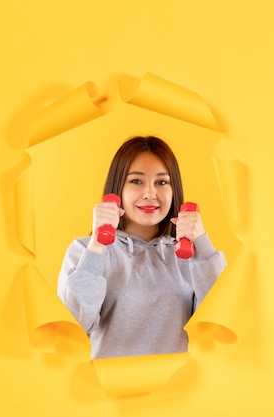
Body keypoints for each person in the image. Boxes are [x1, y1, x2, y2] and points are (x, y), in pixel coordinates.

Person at [57, 135, 227, 359]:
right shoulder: (85, 250)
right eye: (136, 181)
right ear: (118, 187)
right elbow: (74, 324)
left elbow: (221, 324)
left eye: (161, 182)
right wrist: (97, 242)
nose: (150, 194)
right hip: (109, 390)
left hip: (180, 390)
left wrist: (202, 244)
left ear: (173, 189)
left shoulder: (191, 257)